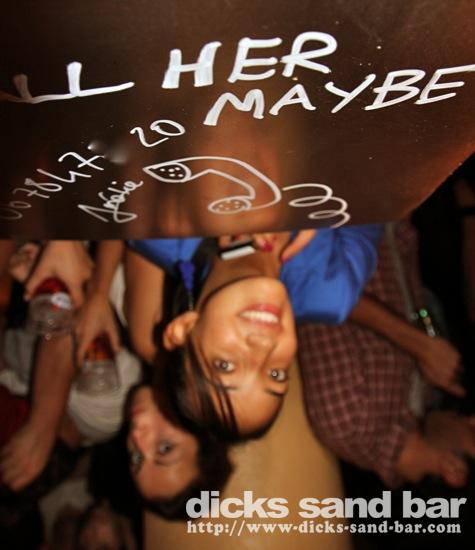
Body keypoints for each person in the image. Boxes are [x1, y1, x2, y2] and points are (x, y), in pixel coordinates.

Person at [128, 224, 383, 439]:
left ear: (183, 329)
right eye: (275, 373)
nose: (263, 346)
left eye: (225, 365)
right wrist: (311, 200)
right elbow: (387, 189)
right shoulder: (331, 290)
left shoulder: (156, 229)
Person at [297, 220, 474, 488]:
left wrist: (419, 345)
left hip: (329, 218)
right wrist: (402, 219)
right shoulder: (423, 399)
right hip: (378, 216)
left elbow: (317, 292)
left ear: (454, 471)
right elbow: (405, 280)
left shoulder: (351, 421)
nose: (472, 419)